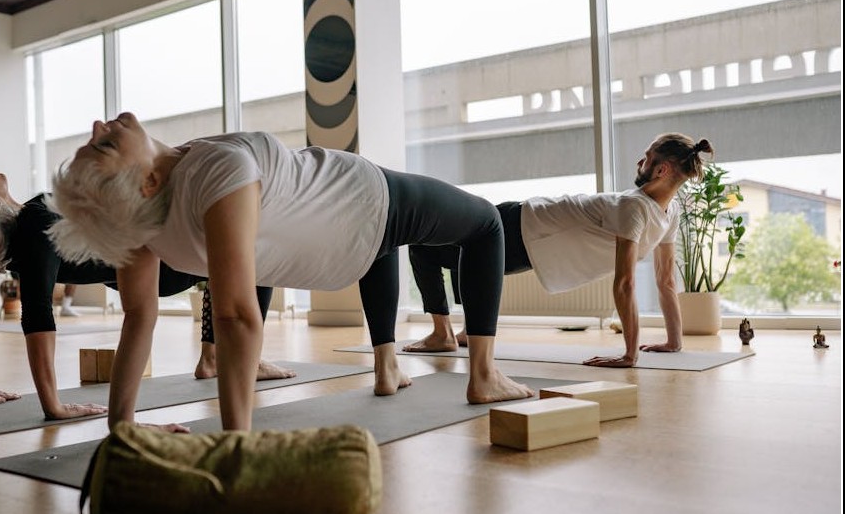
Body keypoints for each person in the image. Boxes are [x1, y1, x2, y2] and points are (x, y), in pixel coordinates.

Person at [48, 112, 534, 432]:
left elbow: (139, 317)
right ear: (148, 182)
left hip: (343, 248)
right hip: (365, 199)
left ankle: (387, 366)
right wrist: (236, 444)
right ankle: (484, 374)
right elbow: (236, 316)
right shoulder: (215, 169)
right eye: (106, 145)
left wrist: (122, 425)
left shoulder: (142, 227)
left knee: (383, 249)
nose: (99, 126)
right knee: (486, 224)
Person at [0, 166, 293, 421]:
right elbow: (37, 316)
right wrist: (54, 406)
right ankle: (238, 359)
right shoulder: (34, 222)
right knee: (256, 253)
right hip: (161, 265)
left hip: (142, 267)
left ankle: (212, 359)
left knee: (237, 256)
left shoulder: (4, 246)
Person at [403, 133, 711, 368]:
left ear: (662, 170)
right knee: (439, 249)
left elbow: (630, 283)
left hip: (523, 235)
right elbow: (659, 280)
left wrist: (636, 353)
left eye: (647, 158)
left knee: (430, 248)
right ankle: (449, 333)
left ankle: (447, 334)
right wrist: (666, 344)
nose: (640, 162)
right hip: (518, 221)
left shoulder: (641, 209)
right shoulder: (658, 210)